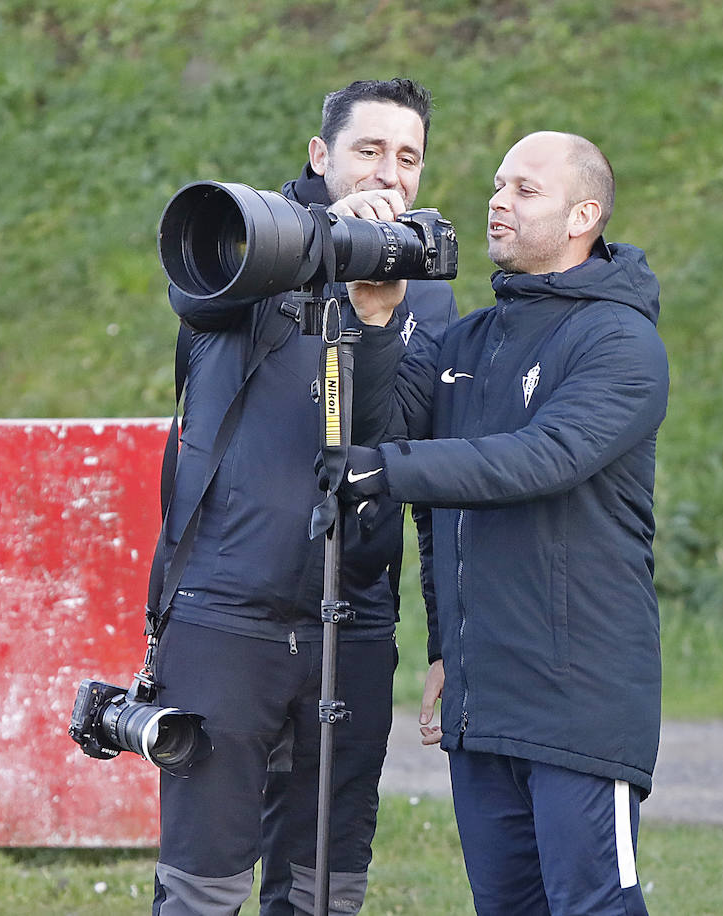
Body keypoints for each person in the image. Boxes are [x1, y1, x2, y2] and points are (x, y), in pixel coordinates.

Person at [333, 130, 668, 915]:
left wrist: (391, 468)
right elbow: (385, 438)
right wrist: (380, 323)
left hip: (579, 700)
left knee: (595, 908)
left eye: (525, 189)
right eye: (496, 184)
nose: (497, 201)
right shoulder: (468, 339)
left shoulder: (622, 342)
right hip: (482, 701)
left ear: (584, 213)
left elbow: (537, 459)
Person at [150, 78, 457, 915]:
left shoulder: (422, 285)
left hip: (350, 621)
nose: (388, 176)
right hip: (225, 615)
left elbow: (403, 444)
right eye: (368, 151)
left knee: (325, 890)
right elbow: (191, 291)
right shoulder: (247, 238)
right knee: (202, 889)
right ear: (321, 156)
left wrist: (378, 316)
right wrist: (325, 239)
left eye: (408, 158)